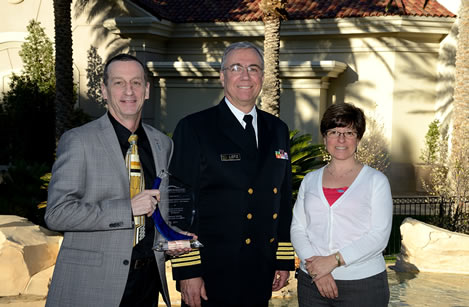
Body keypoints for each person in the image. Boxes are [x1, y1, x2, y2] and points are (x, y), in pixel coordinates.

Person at [45, 54, 184, 307]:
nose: (129, 91)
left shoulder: (162, 144)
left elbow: (158, 213)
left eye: (136, 82)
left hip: (148, 283)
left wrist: (172, 239)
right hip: (93, 285)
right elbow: (56, 213)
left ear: (147, 90)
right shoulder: (79, 140)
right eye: (119, 83)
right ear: (104, 91)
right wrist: (127, 208)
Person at [168, 41, 295, 307]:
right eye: (236, 68)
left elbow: (283, 200)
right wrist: (188, 271)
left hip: (260, 270)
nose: (246, 76)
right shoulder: (195, 128)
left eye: (253, 68)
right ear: (222, 76)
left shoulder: (278, 129)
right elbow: (178, 205)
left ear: (262, 77)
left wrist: (282, 260)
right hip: (212, 272)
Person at [290, 102, 392, 306]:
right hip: (312, 284)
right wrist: (317, 270)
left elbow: (378, 236)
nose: (341, 139)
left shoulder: (376, 181)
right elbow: (298, 228)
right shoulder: (310, 180)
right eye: (334, 131)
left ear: (359, 138)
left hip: (363, 285)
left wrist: (332, 261)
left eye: (350, 132)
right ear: (325, 136)